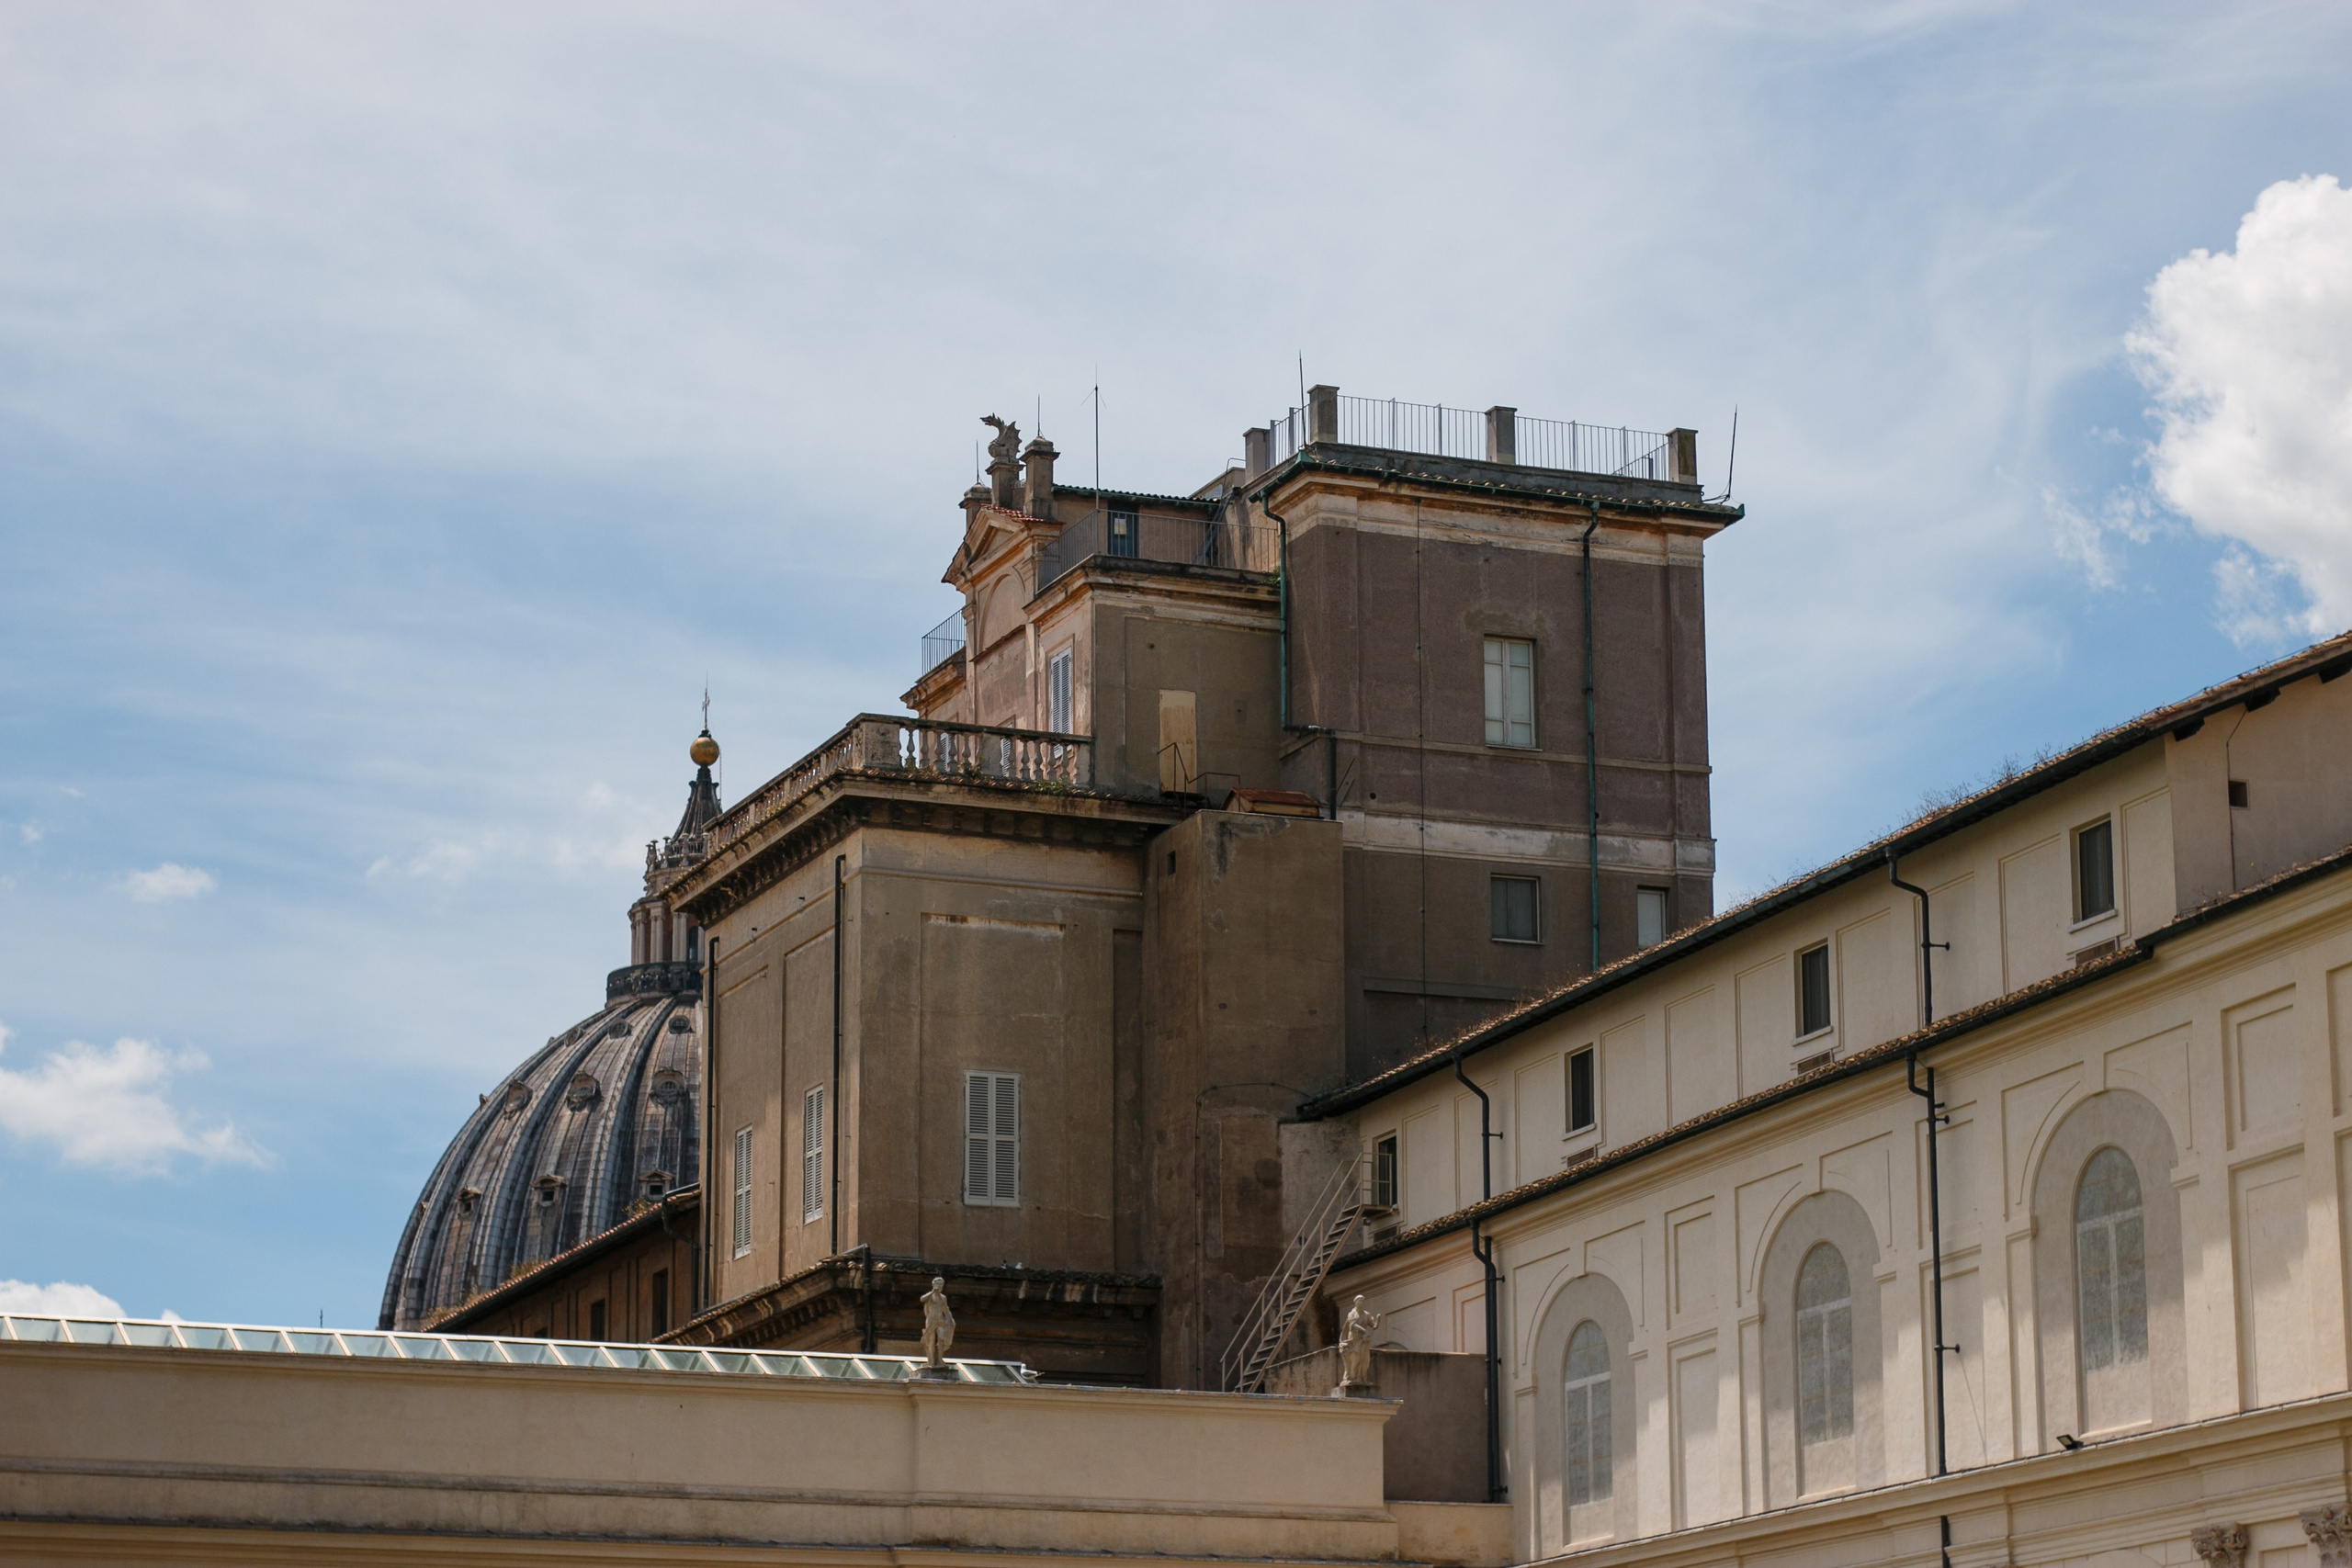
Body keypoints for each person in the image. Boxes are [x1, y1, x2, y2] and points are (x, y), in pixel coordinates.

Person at [1337, 1294, 1380, 1391]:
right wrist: (1365, 1331)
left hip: (1363, 1340)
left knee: (1364, 1359)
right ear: (1355, 1302)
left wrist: (1378, 1322)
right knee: (1355, 1358)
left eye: (1362, 1301)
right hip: (1354, 1339)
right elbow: (1353, 1325)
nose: (1361, 1303)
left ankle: (1361, 1378)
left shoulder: (1366, 1314)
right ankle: (1352, 1377)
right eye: (1359, 1301)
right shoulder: (1352, 1314)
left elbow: (1373, 1325)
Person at [920, 1276, 956, 1368]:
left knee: (941, 1338)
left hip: (940, 1320)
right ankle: (931, 1361)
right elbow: (922, 1299)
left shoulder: (943, 1298)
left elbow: (946, 1309)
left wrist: (949, 1319)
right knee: (931, 1340)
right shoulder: (930, 1296)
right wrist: (932, 1291)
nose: (939, 1286)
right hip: (931, 1320)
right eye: (937, 1284)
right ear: (933, 1284)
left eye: (941, 1284)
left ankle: (940, 1359)